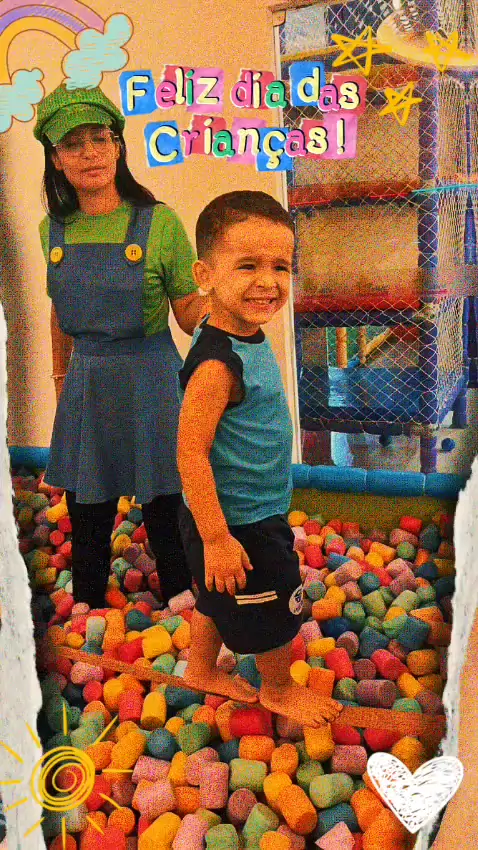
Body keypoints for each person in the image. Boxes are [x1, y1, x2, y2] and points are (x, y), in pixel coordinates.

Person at [33, 84, 207, 610]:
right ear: (56, 159)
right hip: (88, 382)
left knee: (165, 500)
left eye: (99, 139)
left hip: (152, 378)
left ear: (117, 146)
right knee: (87, 506)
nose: (89, 153)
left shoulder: (159, 222)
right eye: (73, 144)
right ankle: (87, 603)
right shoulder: (51, 230)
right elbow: (59, 312)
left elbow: (186, 307)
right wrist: (60, 380)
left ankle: (180, 598)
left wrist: (224, 307)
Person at [176, 190, 343, 725]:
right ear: (205, 275)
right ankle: (278, 687)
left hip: (237, 514)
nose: (268, 281)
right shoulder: (217, 365)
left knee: (213, 596)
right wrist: (217, 538)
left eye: (280, 266)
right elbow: (191, 454)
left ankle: (201, 668)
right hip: (237, 523)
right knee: (273, 605)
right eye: (247, 266)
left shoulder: (242, 332)